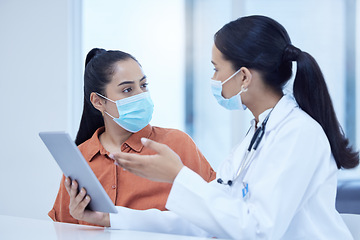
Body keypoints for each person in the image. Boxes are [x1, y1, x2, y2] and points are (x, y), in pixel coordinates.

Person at [65, 16, 359, 239]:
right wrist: (110, 219)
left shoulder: (298, 134)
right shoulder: (255, 137)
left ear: (243, 77)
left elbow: (258, 229)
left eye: (217, 68)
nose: (214, 78)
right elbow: (208, 219)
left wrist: (177, 174)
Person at [48, 48, 216, 226]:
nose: (141, 95)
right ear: (98, 101)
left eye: (143, 85)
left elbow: (215, 217)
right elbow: (61, 228)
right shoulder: (80, 158)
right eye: (127, 90)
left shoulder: (177, 144)